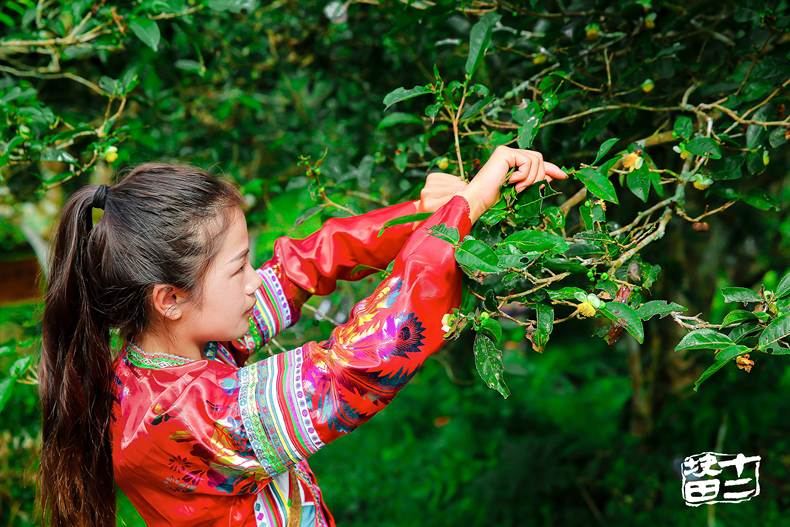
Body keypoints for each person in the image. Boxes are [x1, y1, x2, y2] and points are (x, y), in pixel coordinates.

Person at [37, 146, 567, 526]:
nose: (254, 282)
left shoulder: (166, 351)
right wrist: (460, 216)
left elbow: (302, 267)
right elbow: (358, 364)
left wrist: (422, 216)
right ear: (168, 298)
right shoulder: (198, 418)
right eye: (239, 267)